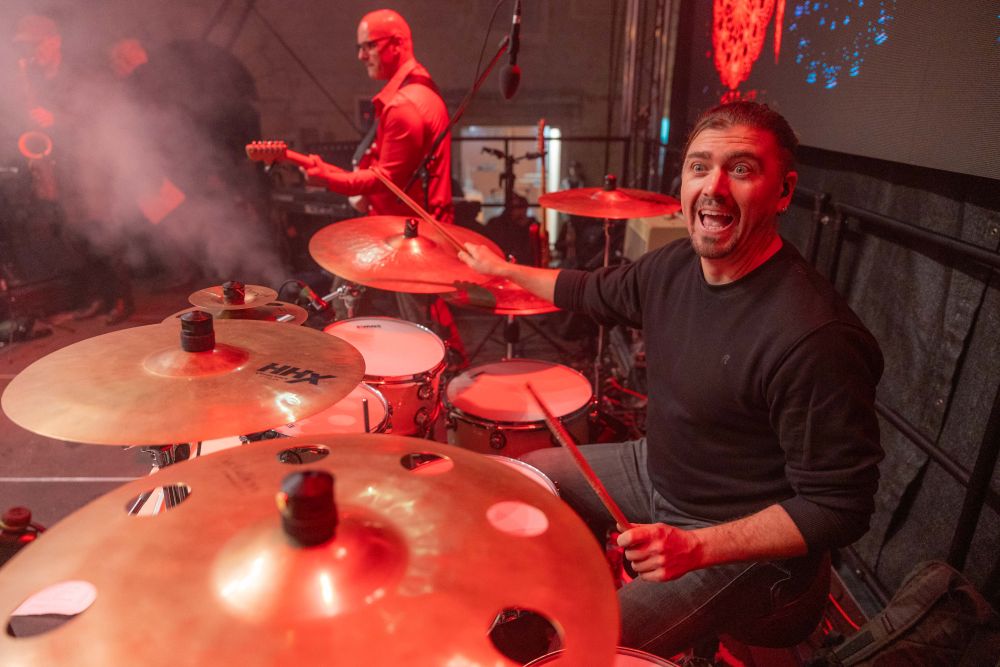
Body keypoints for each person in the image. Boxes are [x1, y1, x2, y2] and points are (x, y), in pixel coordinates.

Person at [459, 101, 884, 658]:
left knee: (579, 645)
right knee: (528, 478)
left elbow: (840, 506)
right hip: (658, 472)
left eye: (741, 169)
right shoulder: (674, 266)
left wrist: (696, 547)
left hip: (747, 547)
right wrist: (503, 270)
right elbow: (590, 290)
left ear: (784, 191)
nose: (714, 188)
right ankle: (572, 591)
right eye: (699, 167)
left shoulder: (813, 336)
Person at [304, 9, 466, 366]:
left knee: (415, 333)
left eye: (369, 46)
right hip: (409, 230)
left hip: (405, 235)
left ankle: (351, 373)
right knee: (371, 308)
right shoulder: (420, 92)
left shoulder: (405, 105)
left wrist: (326, 177)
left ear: (397, 44)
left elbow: (384, 180)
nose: (362, 56)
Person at [11, 14, 134, 325]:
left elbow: (99, 117)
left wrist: (56, 120)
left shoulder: (80, 74)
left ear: (55, 41)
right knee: (77, 237)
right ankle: (99, 297)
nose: (32, 52)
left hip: (89, 164)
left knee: (103, 232)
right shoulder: (36, 79)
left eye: (36, 44)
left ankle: (122, 298)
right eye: (27, 47)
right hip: (61, 167)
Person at [483, 193, 541, 267]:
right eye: (514, 208)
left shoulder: (534, 226)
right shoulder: (499, 225)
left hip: (528, 264)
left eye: (520, 207)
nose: (518, 211)